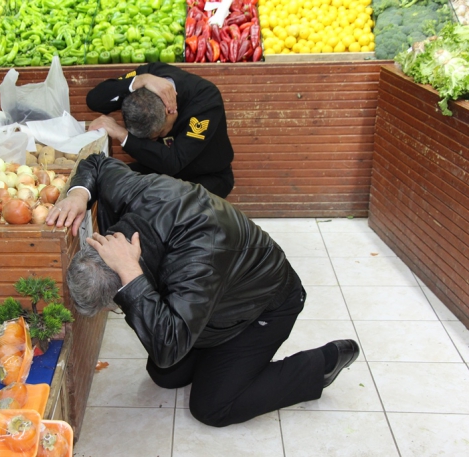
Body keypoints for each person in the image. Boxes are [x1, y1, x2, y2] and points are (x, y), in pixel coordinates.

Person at [46, 154, 360, 427]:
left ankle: (323, 362)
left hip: (263, 306)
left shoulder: (199, 258)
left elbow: (169, 346)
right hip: (217, 297)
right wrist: (78, 194)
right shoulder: (130, 199)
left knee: (211, 406)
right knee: (165, 376)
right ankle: (221, 355)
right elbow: (97, 164)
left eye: (114, 304)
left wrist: (131, 274)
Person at [85, 62, 235, 199]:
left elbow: (173, 162)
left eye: (158, 134)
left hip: (206, 176)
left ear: (171, 110)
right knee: (109, 183)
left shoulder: (206, 100)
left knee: (162, 209)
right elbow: (94, 100)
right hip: (157, 165)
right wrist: (138, 81)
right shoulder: (148, 78)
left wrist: (122, 134)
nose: (154, 140)